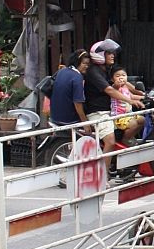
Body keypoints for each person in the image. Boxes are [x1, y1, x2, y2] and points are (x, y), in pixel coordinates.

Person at [84, 40, 143, 169]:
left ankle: (124, 150)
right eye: (109, 53)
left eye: (112, 53)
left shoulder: (107, 70)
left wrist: (142, 93)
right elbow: (109, 90)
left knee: (140, 120)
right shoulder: (94, 72)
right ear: (99, 55)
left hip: (111, 111)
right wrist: (130, 101)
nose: (112, 56)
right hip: (98, 113)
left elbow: (122, 81)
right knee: (110, 142)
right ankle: (103, 176)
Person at [49, 49, 92, 132]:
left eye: (87, 64)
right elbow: (78, 102)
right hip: (68, 119)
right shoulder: (77, 77)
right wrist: (85, 123)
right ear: (77, 62)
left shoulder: (62, 71)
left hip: (54, 116)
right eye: (84, 63)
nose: (86, 66)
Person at [109, 65, 145, 141]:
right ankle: (125, 140)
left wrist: (145, 97)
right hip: (119, 117)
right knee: (133, 124)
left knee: (142, 120)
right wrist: (117, 84)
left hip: (128, 115)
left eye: (123, 75)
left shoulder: (125, 87)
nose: (121, 78)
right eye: (117, 76)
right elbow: (115, 88)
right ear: (112, 79)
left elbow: (132, 96)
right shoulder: (114, 88)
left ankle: (131, 137)